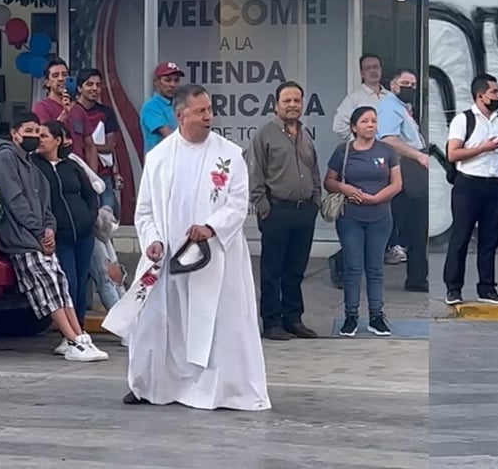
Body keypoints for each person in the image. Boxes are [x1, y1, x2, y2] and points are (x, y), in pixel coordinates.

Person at [115, 84, 270, 411]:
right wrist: (153, 240)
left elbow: (239, 203)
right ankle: (151, 385)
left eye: (209, 110)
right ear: (180, 114)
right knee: (158, 321)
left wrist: (210, 227)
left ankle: (221, 389)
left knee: (216, 322)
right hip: (170, 258)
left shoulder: (229, 154)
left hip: (214, 259)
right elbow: (144, 210)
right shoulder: (158, 157)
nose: (208, 117)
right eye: (201, 111)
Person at [0, 117, 107, 362]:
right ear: (14, 133)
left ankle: (79, 336)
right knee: (48, 288)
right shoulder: (6, 159)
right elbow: (15, 201)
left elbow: (46, 205)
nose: (33, 136)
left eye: (37, 131)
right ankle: (72, 339)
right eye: (28, 130)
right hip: (21, 239)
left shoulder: (32, 167)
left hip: (40, 236)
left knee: (60, 283)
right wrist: (40, 230)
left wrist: (49, 228)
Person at [248, 81, 321, 341]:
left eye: (296, 101)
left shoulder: (304, 134)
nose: (292, 105)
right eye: (287, 101)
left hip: (304, 212)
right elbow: (254, 175)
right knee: (272, 270)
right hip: (276, 211)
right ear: (276, 104)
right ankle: (271, 322)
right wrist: (265, 208)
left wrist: (316, 201)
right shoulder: (264, 135)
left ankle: (293, 319)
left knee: (295, 270)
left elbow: (313, 170)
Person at [326, 106, 402, 337]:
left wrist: (378, 197)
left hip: (380, 217)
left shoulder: (387, 151)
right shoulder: (343, 151)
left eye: (373, 121)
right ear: (354, 127)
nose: (370, 125)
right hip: (351, 218)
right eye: (365, 121)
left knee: (375, 268)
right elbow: (328, 181)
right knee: (353, 268)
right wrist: (345, 188)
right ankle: (350, 317)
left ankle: (377, 317)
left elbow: (397, 183)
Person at [442, 73, 498, 306]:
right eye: (494, 92)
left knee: (490, 239)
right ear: (480, 95)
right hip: (469, 184)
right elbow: (453, 153)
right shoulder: (464, 120)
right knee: (460, 238)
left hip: (495, 185)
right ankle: (453, 288)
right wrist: (483, 148)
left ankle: (487, 288)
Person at [30, 121, 99, 327]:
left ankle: (80, 328)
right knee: (68, 283)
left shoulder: (71, 165)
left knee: (81, 282)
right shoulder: (33, 165)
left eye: (44, 136)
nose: (39, 140)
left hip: (84, 234)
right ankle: (69, 332)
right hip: (60, 237)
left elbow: (90, 194)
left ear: (57, 140)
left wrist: (90, 217)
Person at [376, 69, 429, 292]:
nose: (410, 88)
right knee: (394, 224)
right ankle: (341, 264)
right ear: (393, 84)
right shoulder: (389, 107)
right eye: (405, 83)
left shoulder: (401, 108)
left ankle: (417, 278)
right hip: (403, 167)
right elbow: (388, 139)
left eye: (413, 84)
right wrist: (417, 155)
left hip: (413, 168)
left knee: (415, 226)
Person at [73, 69, 121, 216]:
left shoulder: (106, 112)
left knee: (108, 217)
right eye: (89, 84)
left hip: (102, 175)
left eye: (98, 85)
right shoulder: (70, 111)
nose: (95, 88)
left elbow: (110, 146)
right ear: (80, 88)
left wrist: (88, 146)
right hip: (76, 175)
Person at [140, 62, 184, 154]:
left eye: (176, 80)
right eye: (167, 80)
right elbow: (169, 136)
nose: (172, 84)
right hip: (160, 163)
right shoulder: (151, 106)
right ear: (156, 82)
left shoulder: (180, 103)